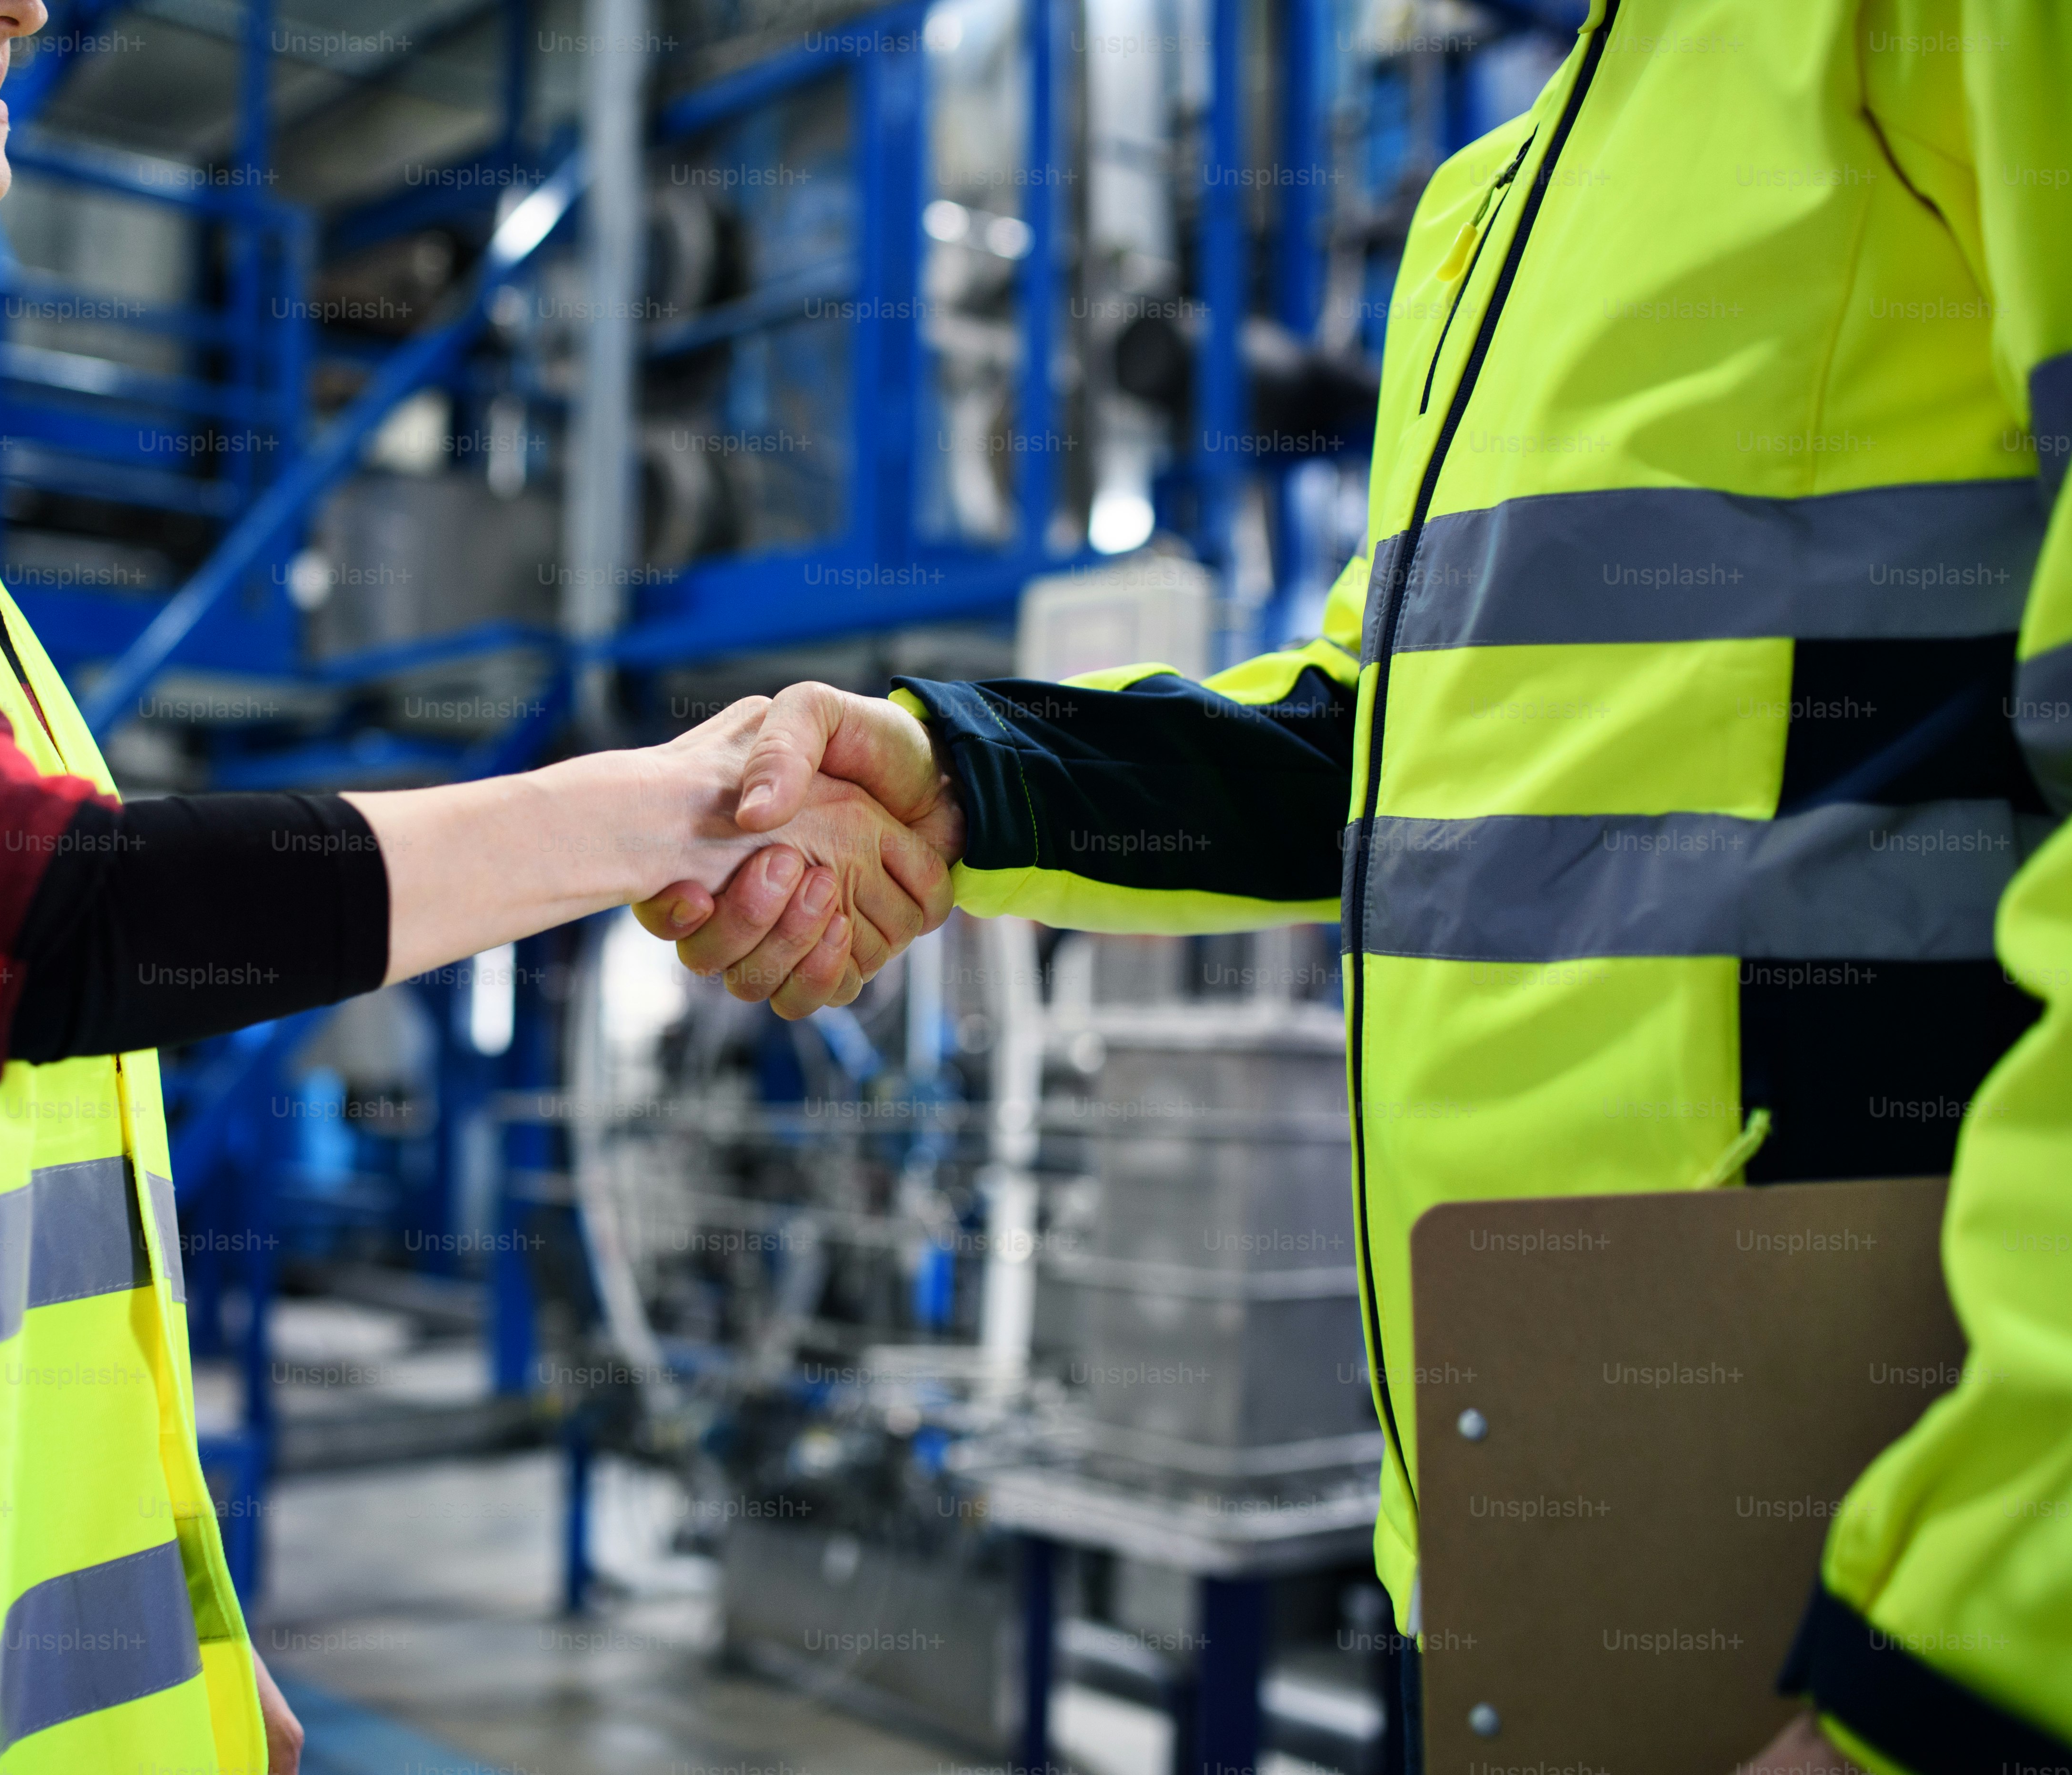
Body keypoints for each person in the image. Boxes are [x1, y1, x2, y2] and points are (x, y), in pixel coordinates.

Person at [0, 3, 954, 1771]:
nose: (25, 3)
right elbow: (32, 920)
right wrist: (674, 813)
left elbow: (29, 1177)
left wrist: (165, 1620)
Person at [643, 3, 2072, 1767]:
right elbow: (1382, 749)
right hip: (1532, 1510)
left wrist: (1973, 1665)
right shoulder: (1506, 191)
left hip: (1885, 1543)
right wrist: (962, 776)